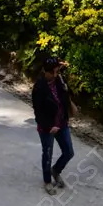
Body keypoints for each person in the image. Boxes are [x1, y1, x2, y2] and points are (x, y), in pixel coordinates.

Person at [32, 56, 75, 193]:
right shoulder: (39, 88)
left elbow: (65, 96)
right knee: (48, 153)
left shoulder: (59, 81)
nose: (56, 75)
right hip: (47, 127)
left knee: (68, 151)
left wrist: (70, 107)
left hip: (62, 122)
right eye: (54, 72)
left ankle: (55, 170)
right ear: (47, 72)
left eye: (57, 71)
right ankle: (47, 181)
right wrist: (49, 126)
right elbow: (38, 112)